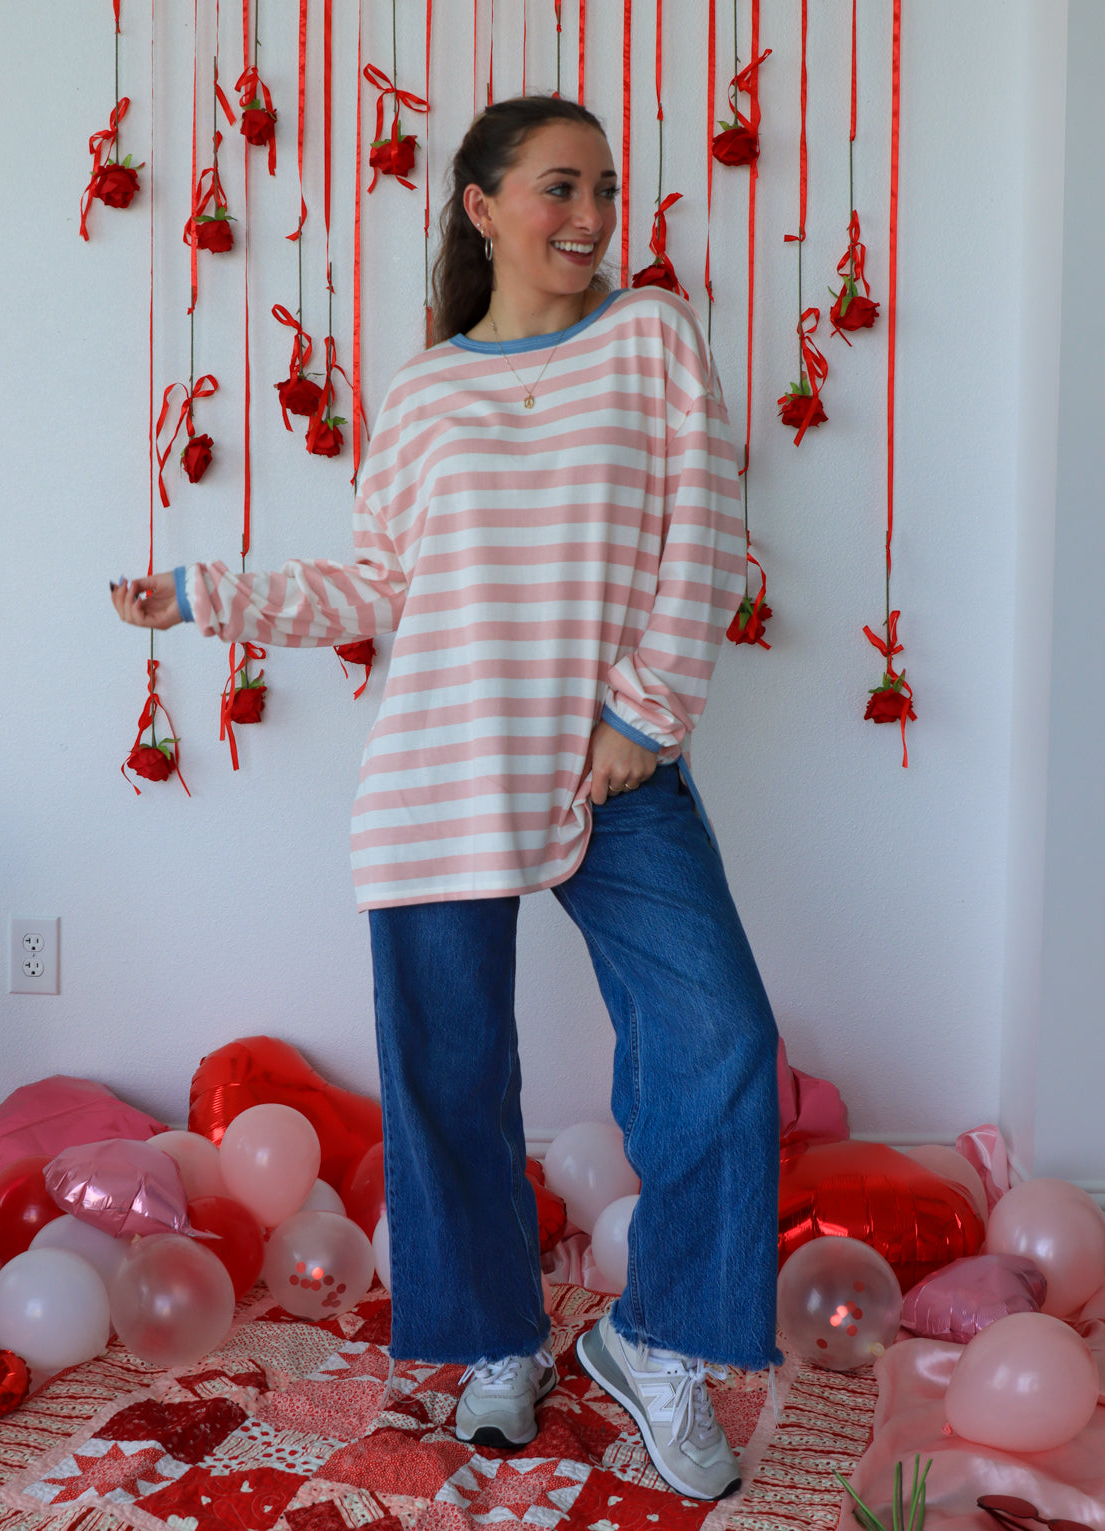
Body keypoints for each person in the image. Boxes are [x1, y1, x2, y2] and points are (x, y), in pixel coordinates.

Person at [112, 95, 782, 1502]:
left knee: (717, 1042)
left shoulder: (649, 337)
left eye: (601, 187)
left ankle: (654, 1345)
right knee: (449, 1079)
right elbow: (378, 585)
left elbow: (705, 531)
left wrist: (638, 724)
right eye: (556, 187)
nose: (590, 216)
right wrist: (204, 595)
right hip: (439, 771)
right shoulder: (423, 393)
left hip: (615, 765)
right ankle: (492, 1342)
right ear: (480, 206)